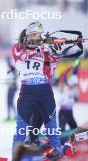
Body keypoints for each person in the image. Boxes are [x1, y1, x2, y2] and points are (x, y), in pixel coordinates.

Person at [11, 21, 83, 158]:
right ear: (29, 35)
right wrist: (40, 48)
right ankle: (16, 157)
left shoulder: (45, 50)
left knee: (52, 130)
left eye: (40, 35)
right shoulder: (18, 47)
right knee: (20, 131)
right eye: (36, 35)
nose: (38, 38)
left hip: (45, 91)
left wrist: (54, 52)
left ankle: (59, 155)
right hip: (27, 91)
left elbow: (50, 73)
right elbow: (21, 56)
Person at [58, 58, 80, 132]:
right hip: (63, 112)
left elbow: (74, 74)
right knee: (62, 131)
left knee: (75, 129)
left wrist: (76, 66)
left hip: (69, 112)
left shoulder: (70, 84)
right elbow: (64, 75)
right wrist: (71, 67)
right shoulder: (63, 86)